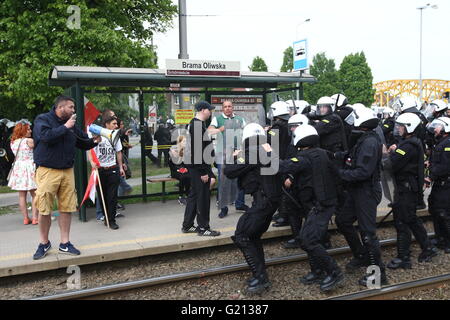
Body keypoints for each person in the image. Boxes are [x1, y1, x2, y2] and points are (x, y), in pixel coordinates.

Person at [32, 96, 100, 260]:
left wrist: (94, 141)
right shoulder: (43, 119)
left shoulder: (71, 124)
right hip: (47, 171)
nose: (73, 110)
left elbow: (82, 142)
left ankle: (65, 243)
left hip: (67, 171)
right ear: (60, 107)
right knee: (44, 208)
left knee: (67, 207)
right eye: (71, 107)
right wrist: (65, 127)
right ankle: (44, 243)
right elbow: (45, 137)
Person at [280, 125, 343, 292]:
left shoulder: (305, 157)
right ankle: (317, 270)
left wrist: (267, 154)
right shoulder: (322, 153)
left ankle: (334, 272)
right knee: (309, 238)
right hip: (320, 203)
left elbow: (284, 167)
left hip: (319, 205)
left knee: (308, 240)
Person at [224, 123, 281, 294]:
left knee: (242, 235)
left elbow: (230, 171)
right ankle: (260, 273)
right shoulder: (266, 149)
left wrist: (236, 157)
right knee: (253, 235)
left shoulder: (250, 153)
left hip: (263, 202)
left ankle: (261, 278)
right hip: (270, 201)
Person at [334, 106, 387, 286]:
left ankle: (378, 275)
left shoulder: (370, 142)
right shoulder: (362, 138)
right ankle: (362, 255)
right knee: (343, 220)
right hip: (357, 190)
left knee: (368, 234)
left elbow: (363, 172)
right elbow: (349, 156)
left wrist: (339, 174)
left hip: (366, 191)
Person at [384, 113, 437, 269]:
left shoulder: (407, 146)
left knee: (402, 222)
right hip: (406, 189)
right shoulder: (409, 143)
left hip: (406, 190)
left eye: (401, 126)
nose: (398, 129)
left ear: (409, 127)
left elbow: (390, 165)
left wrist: (388, 153)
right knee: (411, 220)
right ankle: (427, 248)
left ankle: (404, 257)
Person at [182, 101, 219, 236]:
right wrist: (204, 172)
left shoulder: (194, 123)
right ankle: (203, 228)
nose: (210, 112)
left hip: (196, 166)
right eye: (209, 110)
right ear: (203, 110)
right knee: (203, 197)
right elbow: (197, 151)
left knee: (194, 195)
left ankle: (187, 225)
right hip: (199, 167)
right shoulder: (197, 125)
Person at [208, 100, 248, 218]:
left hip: (238, 154)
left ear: (233, 107)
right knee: (223, 181)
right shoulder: (217, 119)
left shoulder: (240, 119)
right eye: (225, 107)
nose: (227, 108)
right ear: (222, 108)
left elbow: (246, 133)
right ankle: (223, 208)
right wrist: (220, 129)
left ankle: (240, 204)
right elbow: (209, 131)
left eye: (229, 106)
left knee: (240, 178)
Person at [88, 116, 125, 230]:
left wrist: (120, 167)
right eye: (114, 124)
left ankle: (112, 220)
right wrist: (92, 162)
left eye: (117, 124)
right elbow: (90, 149)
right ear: (107, 124)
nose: (116, 126)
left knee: (112, 197)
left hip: (112, 169)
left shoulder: (115, 137)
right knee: (102, 196)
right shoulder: (97, 136)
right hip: (100, 170)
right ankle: (106, 217)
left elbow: (118, 152)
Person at [425, 117, 450, 253]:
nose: (435, 129)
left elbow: (445, 166)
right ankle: (440, 237)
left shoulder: (448, 144)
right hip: (440, 182)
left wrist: (430, 176)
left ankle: (448, 241)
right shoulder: (441, 142)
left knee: (443, 212)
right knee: (434, 208)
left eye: (438, 126)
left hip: (446, 183)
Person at [7, 121, 38, 225]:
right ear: (23, 130)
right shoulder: (29, 141)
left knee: (21, 195)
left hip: (18, 168)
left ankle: (25, 218)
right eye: (28, 129)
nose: (30, 131)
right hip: (29, 167)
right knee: (34, 194)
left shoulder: (13, 142)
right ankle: (35, 218)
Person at [267, 101, 291, 228]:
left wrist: (267, 132)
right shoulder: (289, 123)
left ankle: (284, 215)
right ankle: (282, 212)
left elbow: (268, 141)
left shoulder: (277, 126)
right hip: (287, 159)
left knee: (281, 189)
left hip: (278, 160)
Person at [169, 135, 191, 205]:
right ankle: (181, 197)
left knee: (188, 175)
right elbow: (173, 165)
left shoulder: (186, 150)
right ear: (179, 142)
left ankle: (187, 195)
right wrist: (180, 170)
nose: (185, 143)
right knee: (183, 176)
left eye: (186, 141)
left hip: (184, 170)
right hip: (175, 171)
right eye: (184, 141)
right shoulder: (173, 150)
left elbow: (187, 163)